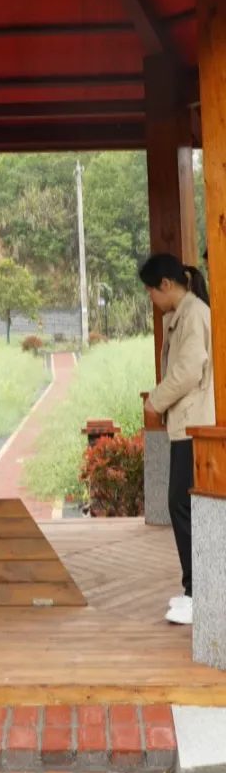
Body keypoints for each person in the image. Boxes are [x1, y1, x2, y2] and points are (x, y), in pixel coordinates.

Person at [140, 252, 214, 626]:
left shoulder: (194, 314)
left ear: (166, 285)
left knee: (182, 505)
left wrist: (155, 401)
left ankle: (198, 593)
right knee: (184, 506)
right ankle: (194, 589)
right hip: (187, 423)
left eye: (151, 291)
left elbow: (187, 370)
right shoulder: (182, 315)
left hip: (194, 424)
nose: (151, 299)